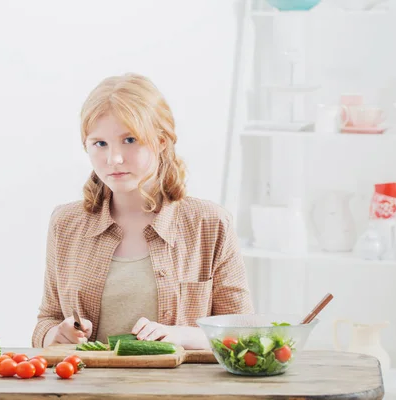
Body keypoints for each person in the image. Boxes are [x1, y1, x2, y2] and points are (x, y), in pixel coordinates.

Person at [32, 73, 253, 350]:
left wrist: (181, 336)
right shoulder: (65, 224)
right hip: (87, 391)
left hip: (179, 392)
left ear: (161, 141)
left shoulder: (209, 224)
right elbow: (47, 319)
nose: (114, 159)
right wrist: (55, 334)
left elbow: (244, 333)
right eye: (100, 143)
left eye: (130, 140)